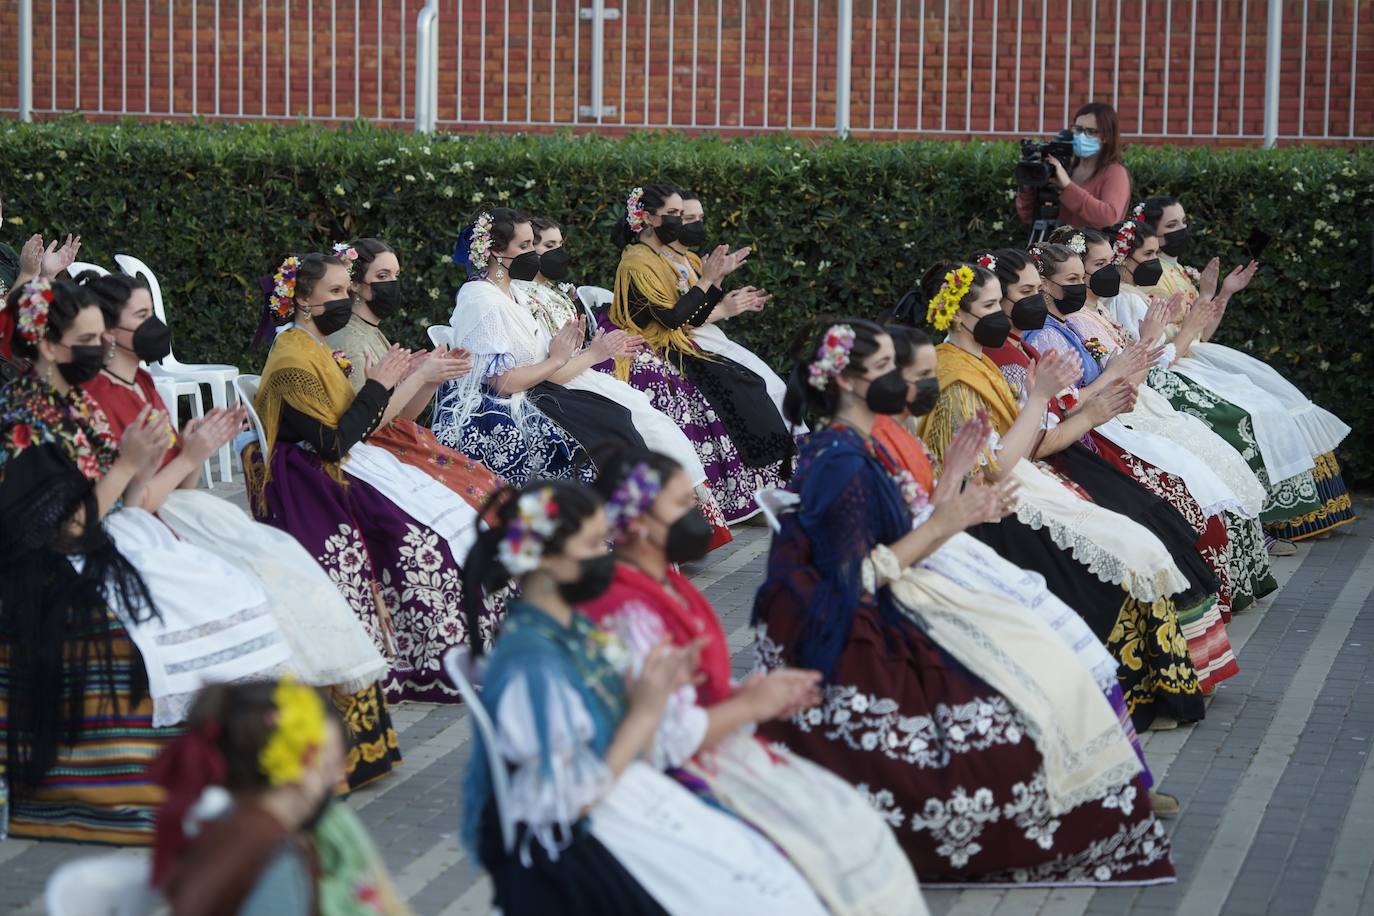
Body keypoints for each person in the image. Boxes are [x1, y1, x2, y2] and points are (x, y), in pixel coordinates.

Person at [753, 317, 1173, 884]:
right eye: (885, 370)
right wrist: (949, 519)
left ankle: (1116, 786)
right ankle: (1076, 805)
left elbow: (900, 519)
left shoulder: (858, 441)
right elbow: (850, 579)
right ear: (849, 382)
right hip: (874, 616)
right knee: (1032, 675)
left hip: (907, 581)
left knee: (1057, 646)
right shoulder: (841, 460)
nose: (901, 381)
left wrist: (951, 486)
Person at [459, 481, 831, 915]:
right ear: (544, 559)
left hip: (623, 800)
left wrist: (656, 696)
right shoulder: (532, 665)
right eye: (594, 543)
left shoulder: (574, 630)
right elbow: (561, 804)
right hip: (576, 851)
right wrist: (645, 712)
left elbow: (639, 745)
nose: (607, 554)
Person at [581, 445, 927, 912]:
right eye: (682, 504)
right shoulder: (627, 609)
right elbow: (662, 735)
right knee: (821, 850)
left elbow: (686, 697)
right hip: (661, 775)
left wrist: (755, 694)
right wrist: (753, 705)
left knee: (848, 824)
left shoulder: (659, 580)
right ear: (639, 522)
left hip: (702, 748)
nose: (699, 512)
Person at [79, 271, 394, 773]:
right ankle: (268, 742)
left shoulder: (139, 379)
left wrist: (194, 449)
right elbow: (130, 505)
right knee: (255, 584)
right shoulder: (97, 394)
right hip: (139, 525)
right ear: (106, 330)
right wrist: (190, 457)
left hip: (174, 508)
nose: (154, 325)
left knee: (285, 562)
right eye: (141, 317)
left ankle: (330, 735)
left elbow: (179, 484)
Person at [915, 263, 1206, 730]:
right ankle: (1124, 700)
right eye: (990, 306)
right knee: (1116, 561)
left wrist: (1051, 402)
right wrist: (1039, 400)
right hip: (992, 509)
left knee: (1138, 541)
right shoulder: (952, 375)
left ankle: (1157, 693)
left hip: (1024, 481)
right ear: (957, 315)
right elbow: (986, 471)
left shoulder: (977, 359)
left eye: (997, 303)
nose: (1000, 314)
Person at [247, 251, 497, 723]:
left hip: (349, 459)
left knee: (455, 509)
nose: (347, 299)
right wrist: (381, 385)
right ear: (302, 301)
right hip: (314, 477)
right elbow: (334, 443)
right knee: (420, 537)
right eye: (336, 292)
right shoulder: (291, 361)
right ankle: (431, 656)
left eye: (347, 289)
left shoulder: (316, 345)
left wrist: (395, 382)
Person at [1010, 243, 1237, 689]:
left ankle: (1200, 645)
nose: (1086, 283)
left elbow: (1085, 394)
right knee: (1149, 512)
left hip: (1092, 428)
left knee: (1175, 492)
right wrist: (1141, 351)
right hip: (1067, 447)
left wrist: (1160, 338)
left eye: (1087, 274)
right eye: (1072, 278)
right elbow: (1057, 416)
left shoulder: (1051, 332)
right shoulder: (1038, 339)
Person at [0, 277, 178, 843]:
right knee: (144, 624)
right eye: (87, 339)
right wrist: (128, 466)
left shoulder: (75, 400)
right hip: (38, 570)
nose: (101, 349)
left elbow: (124, 502)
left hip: (100, 539)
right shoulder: (22, 416)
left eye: (103, 336)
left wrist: (153, 461)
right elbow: (64, 531)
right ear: (48, 346)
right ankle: (111, 789)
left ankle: (197, 777)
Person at [1045, 229, 1277, 615]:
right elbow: (1111, 383)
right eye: (1093, 268)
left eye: (1109, 264)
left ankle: (1242, 567)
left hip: (1130, 404)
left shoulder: (1090, 314)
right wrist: (1155, 339)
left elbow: (1136, 367)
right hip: (1116, 415)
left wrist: (1208, 304)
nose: (1102, 276)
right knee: (1188, 471)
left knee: (1215, 450)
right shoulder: (1069, 325)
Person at [1106, 217, 1344, 545]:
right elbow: (1156, 358)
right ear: (1122, 257)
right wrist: (1188, 327)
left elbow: (1194, 337)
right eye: (1148, 255)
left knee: (1265, 403)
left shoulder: (1136, 293)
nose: (1154, 261)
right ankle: (1259, 521)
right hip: (1161, 380)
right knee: (1244, 417)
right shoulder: (1126, 299)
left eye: (1155, 254)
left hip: (1177, 367)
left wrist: (1215, 297)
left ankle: (1277, 518)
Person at [512, 219, 733, 544]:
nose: (556, 253)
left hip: (580, 374)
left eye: (560, 244)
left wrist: (601, 349)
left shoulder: (553, 293)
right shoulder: (521, 300)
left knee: (655, 419)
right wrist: (596, 352)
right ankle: (655, 532)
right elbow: (552, 368)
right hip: (559, 386)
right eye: (546, 246)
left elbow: (571, 352)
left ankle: (680, 528)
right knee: (646, 425)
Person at [607, 183, 793, 524]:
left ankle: (763, 487)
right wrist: (707, 280)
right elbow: (672, 319)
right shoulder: (635, 263)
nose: (680, 222)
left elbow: (691, 317)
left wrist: (715, 280)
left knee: (747, 382)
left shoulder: (657, 256)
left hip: (677, 344)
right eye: (674, 215)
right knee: (730, 387)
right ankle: (740, 498)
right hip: (652, 350)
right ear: (647, 218)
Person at [150, 680, 410, 916]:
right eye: (330, 764)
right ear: (302, 766)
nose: (338, 778)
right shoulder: (276, 857)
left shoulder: (229, 826)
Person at [433, 208, 629, 487]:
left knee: (616, 417)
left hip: (537, 390)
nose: (533, 254)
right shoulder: (482, 301)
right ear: (495, 253)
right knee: (606, 439)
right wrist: (556, 359)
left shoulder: (512, 290)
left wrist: (562, 348)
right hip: (500, 409)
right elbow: (502, 382)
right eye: (524, 246)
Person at [325, 238, 503, 510]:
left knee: (485, 484)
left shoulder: (368, 329)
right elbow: (366, 426)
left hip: (393, 439)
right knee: (472, 495)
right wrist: (419, 377)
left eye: (396, 275)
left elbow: (401, 417)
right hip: (369, 455)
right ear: (355, 285)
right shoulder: (349, 339)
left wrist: (432, 378)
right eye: (383, 276)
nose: (393, 283)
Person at [670, 191, 804, 435]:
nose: (697, 224)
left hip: (710, 335)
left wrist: (721, 278)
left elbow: (701, 302)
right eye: (689, 218)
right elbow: (677, 318)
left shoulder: (690, 258)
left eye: (700, 217)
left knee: (773, 386)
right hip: (689, 344)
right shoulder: (663, 262)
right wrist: (725, 309)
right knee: (760, 388)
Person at [1016, 101, 1131, 229]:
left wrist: (1067, 186)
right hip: (1055, 246)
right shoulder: (1066, 168)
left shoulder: (1114, 172)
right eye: (1078, 129)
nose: (1082, 136)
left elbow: (1109, 219)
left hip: (1092, 248)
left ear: (1106, 136)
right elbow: (1027, 216)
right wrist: (1028, 186)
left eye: (1091, 131)